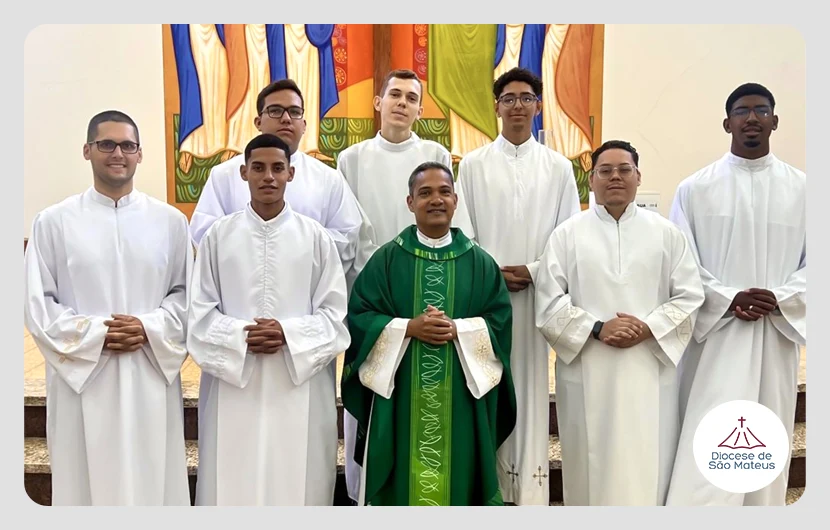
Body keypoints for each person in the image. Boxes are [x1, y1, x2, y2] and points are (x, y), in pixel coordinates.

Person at [23, 110, 192, 505]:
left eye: (128, 145)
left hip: (149, 371)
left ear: (140, 154)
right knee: (85, 481)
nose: (118, 153)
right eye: (107, 144)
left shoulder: (170, 222)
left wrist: (149, 327)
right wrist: (98, 333)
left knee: (152, 477)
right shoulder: (53, 222)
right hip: (83, 378)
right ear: (87, 150)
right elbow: (38, 303)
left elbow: (187, 294)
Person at [534, 140, 705, 505]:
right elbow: (547, 302)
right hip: (587, 366)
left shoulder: (666, 234)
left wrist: (648, 327)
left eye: (624, 170)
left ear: (638, 177)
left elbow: (690, 295)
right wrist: (598, 328)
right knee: (589, 465)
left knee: (647, 461)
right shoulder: (566, 235)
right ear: (591, 179)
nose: (615, 177)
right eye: (605, 170)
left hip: (648, 368)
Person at [187, 134, 351, 506]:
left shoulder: (316, 238)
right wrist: (241, 336)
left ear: (291, 173)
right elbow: (199, 313)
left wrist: (288, 334)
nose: (268, 177)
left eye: (278, 168)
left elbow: (334, 316)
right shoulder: (218, 237)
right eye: (258, 168)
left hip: (298, 383)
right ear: (243, 172)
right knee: (233, 480)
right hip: (234, 383)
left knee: (296, 480)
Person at [336, 68, 476, 502]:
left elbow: (450, 219)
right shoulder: (351, 158)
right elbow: (350, 227)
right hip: (375, 289)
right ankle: (365, 491)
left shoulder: (434, 152)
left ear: (419, 109)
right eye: (394, 95)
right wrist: (387, 276)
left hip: (433, 287)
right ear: (378, 103)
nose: (402, 103)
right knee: (374, 397)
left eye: (411, 98)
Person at [341, 162, 517, 506]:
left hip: (461, 397)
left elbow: (499, 321)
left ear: (456, 201)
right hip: (400, 395)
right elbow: (361, 316)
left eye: (444, 192)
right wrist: (408, 328)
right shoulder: (386, 259)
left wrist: (459, 329)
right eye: (425, 193)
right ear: (410, 202)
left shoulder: (480, 263)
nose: (436, 200)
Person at [666, 83, 806, 506]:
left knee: (766, 433)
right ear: (726, 123)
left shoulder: (805, 190)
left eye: (761, 110)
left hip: (774, 336)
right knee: (709, 431)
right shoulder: (694, 189)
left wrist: (779, 298)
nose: (751, 118)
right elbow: (681, 264)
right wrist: (729, 298)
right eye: (742, 111)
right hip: (716, 338)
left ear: (775, 121)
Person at [456, 66, 581, 505]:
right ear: (496, 106)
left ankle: (527, 492)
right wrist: (491, 272)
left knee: (528, 389)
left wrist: (533, 270)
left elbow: (568, 235)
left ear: (538, 106)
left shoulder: (558, 167)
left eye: (526, 98)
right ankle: (486, 488)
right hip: (484, 303)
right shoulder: (472, 166)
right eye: (508, 99)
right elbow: (462, 231)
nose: (517, 106)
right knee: (484, 383)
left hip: (535, 299)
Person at [188, 79, 363, 273]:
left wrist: (292, 249)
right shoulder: (223, 175)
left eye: (294, 112)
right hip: (241, 280)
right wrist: (260, 249)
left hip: (304, 282)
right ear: (258, 122)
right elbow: (204, 234)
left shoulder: (329, 179)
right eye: (276, 111)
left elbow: (346, 236)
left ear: (304, 125)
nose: (286, 118)